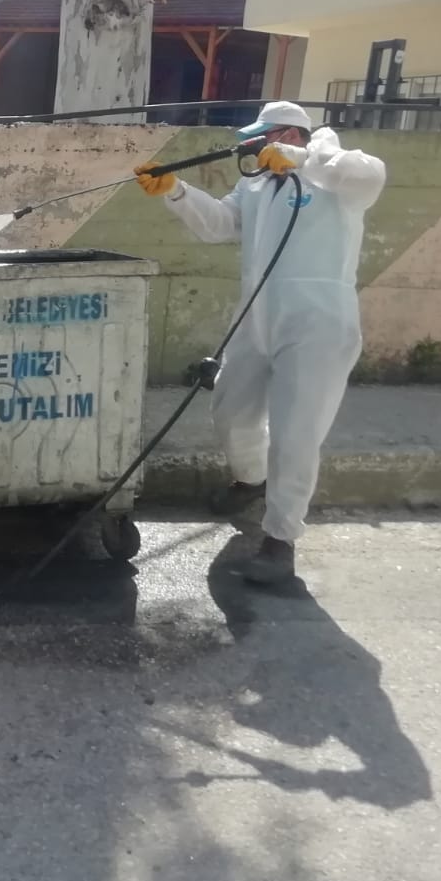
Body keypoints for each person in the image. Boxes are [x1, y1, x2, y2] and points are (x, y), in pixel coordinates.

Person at [135, 101, 386, 583]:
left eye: (263, 136)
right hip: (257, 314)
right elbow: (220, 224)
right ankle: (252, 480)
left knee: (296, 432)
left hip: (317, 320)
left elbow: (370, 176)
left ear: (289, 135)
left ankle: (280, 540)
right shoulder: (255, 184)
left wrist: (304, 159)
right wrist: (175, 190)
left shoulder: (332, 170)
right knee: (232, 410)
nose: (251, 145)